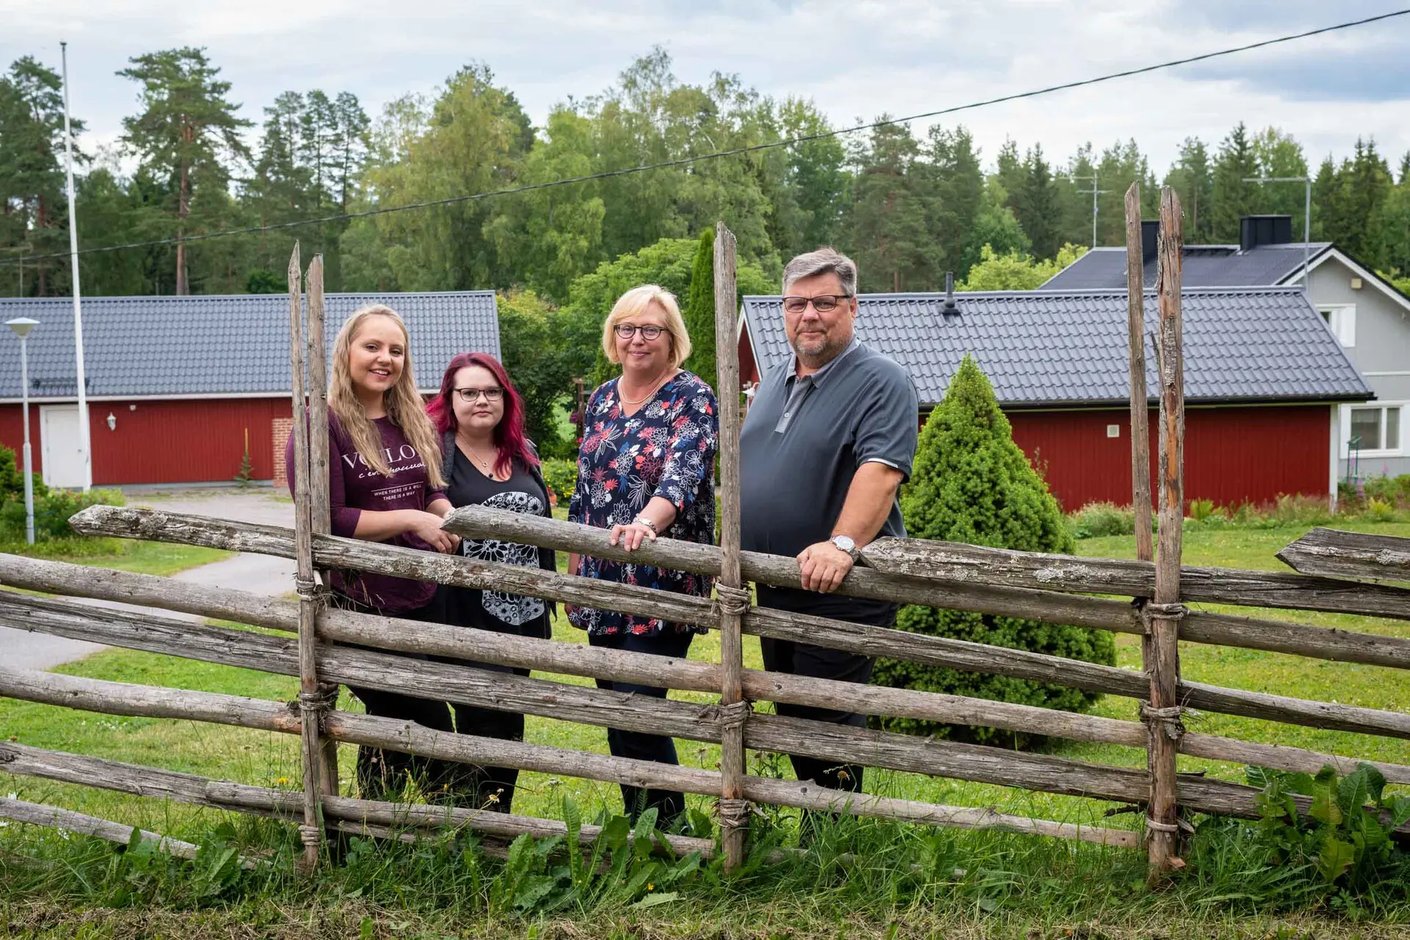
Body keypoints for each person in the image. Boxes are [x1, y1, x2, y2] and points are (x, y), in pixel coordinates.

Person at [739, 247, 919, 799]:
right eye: (796, 303)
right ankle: (823, 832)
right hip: (777, 583)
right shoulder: (773, 381)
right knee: (793, 711)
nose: (808, 314)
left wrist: (842, 544)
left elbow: (881, 471)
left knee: (828, 721)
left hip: (838, 587)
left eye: (824, 301)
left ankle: (835, 844)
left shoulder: (882, 380)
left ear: (852, 307)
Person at [286, 303, 461, 800]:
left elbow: (430, 490)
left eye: (396, 350)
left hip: (423, 595)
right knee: (419, 715)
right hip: (361, 602)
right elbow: (327, 520)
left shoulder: (411, 419)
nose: (385, 358)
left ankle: (372, 827)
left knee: (394, 714)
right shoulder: (322, 426)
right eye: (373, 346)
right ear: (346, 351)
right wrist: (410, 520)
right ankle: (454, 812)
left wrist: (444, 513)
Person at [567, 284, 718, 826]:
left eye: (650, 329)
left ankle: (669, 833)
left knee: (639, 707)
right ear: (613, 336)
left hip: (660, 578)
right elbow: (585, 487)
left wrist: (645, 523)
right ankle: (641, 825)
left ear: (672, 338)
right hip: (602, 573)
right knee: (616, 709)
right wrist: (573, 560)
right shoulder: (604, 398)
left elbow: (683, 476)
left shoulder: (692, 397)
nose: (637, 339)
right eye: (626, 328)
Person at [426, 351, 555, 813]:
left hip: (524, 610)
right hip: (462, 609)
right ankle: (465, 822)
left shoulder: (525, 451)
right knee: (477, 712)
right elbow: (428, 507)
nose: (482, 400)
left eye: (491, 391)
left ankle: (496, 819)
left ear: (505, 397)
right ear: (450, 398)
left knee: (511, 715)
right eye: (469, 392)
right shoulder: (434, 452)